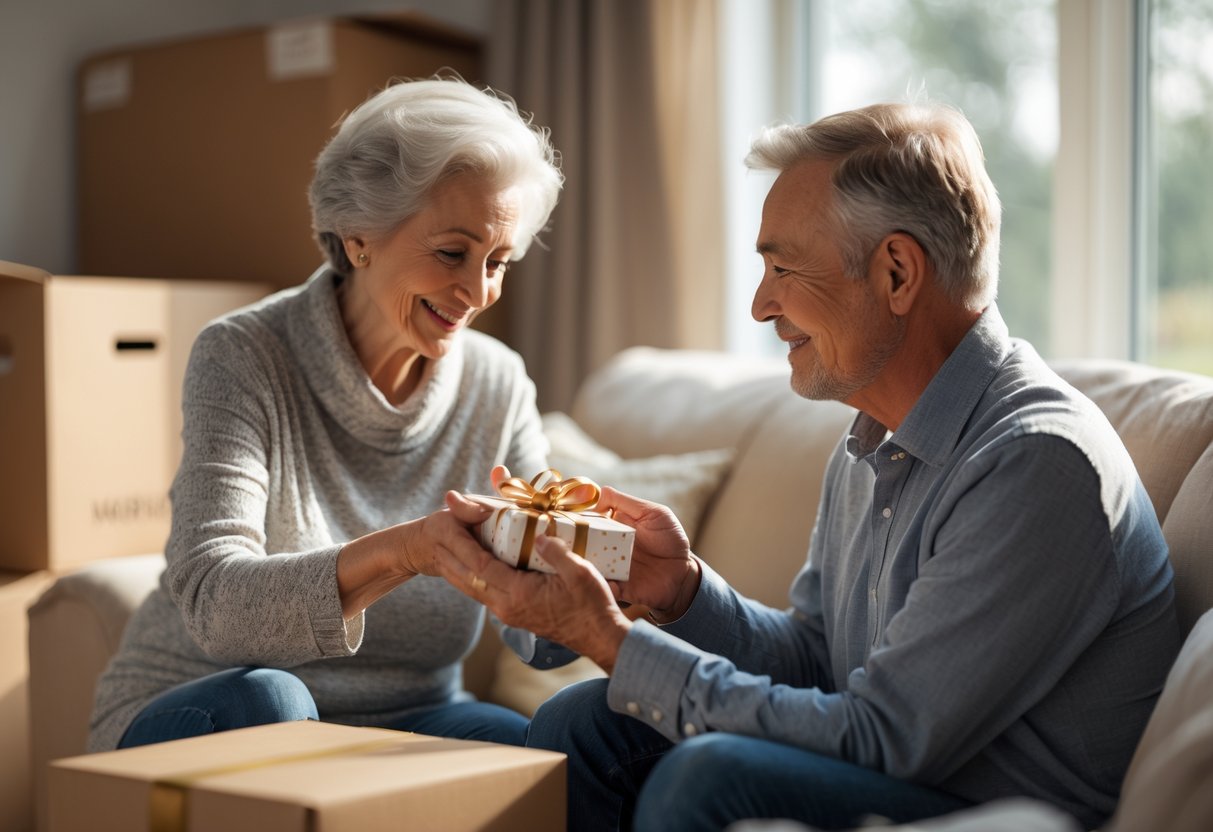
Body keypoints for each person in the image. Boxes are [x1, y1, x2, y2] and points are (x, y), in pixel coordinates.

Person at [436, 102, 1183, 830]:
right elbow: (818, 661)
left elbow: (884, 738)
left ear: (895, 272)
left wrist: (612, 642)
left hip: (991, 809)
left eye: (782, 268)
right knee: (585, 720)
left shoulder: (1035, 461)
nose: (761, 306)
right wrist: (682, 591)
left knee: (711, 779)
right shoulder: (871, 441)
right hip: (909, 771)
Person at [87, 76, 563, 753]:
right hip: (213, 699)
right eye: (452, 252)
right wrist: (402, 553)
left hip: (412, 713)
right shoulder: (243, 354)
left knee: (546, 744)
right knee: (272, 697)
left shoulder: (497, 380)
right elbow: (215, 605)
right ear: (359, 236)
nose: (477, 291)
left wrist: (583, 587)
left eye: (499, 261)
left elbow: (534, 626)